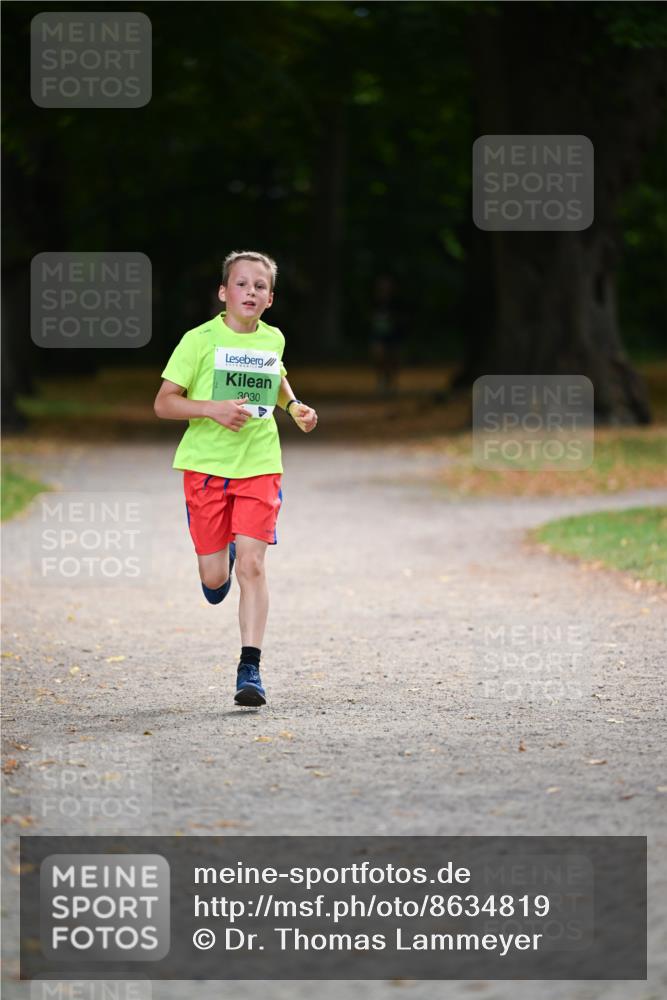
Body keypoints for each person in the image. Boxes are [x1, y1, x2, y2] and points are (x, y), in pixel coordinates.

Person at [154, 251, 318, 707]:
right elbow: (164, 403)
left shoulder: (273, 339)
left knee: (253, 566)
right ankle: (219, 557)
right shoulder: (199, 340)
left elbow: (277, 379)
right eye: (241, 284)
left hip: (260, 465)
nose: (250, 292)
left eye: (259, 286)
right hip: (206, 469)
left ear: (270, 298)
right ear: (224, 293)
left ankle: (250, 668)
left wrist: (295, 408)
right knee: (214, 581)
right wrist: (212, 409)